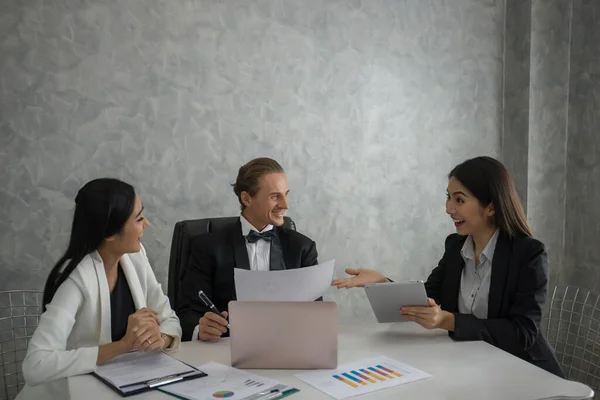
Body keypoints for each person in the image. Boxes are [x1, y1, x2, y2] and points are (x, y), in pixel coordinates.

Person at [332, 156, 564, 377]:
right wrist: (382, 283)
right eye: (449, 197)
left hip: (525, 373)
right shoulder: (456, 246)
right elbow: (428, 295)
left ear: (491, 207)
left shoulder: (528, 254)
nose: (449, 208)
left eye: (459, 200)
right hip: (476, 366)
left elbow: (523, 334)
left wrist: (448, 321)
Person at [17, 178, 181, 400]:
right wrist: (122, 346)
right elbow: (36, 365)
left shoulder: (136, 256)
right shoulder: (76, 279)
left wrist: (160, 338)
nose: (147, 224)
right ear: (110, 233)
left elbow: (169, 318)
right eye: (139, 218)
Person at [177, 157, 319, 342]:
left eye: (286, 194)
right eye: (275, 196)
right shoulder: (206, 247)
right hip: (226, 355)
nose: (286, 205)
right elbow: (186, 313)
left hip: (288, 350)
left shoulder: (303, 248)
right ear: (247, 198)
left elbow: (316, 315)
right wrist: (200, 328)